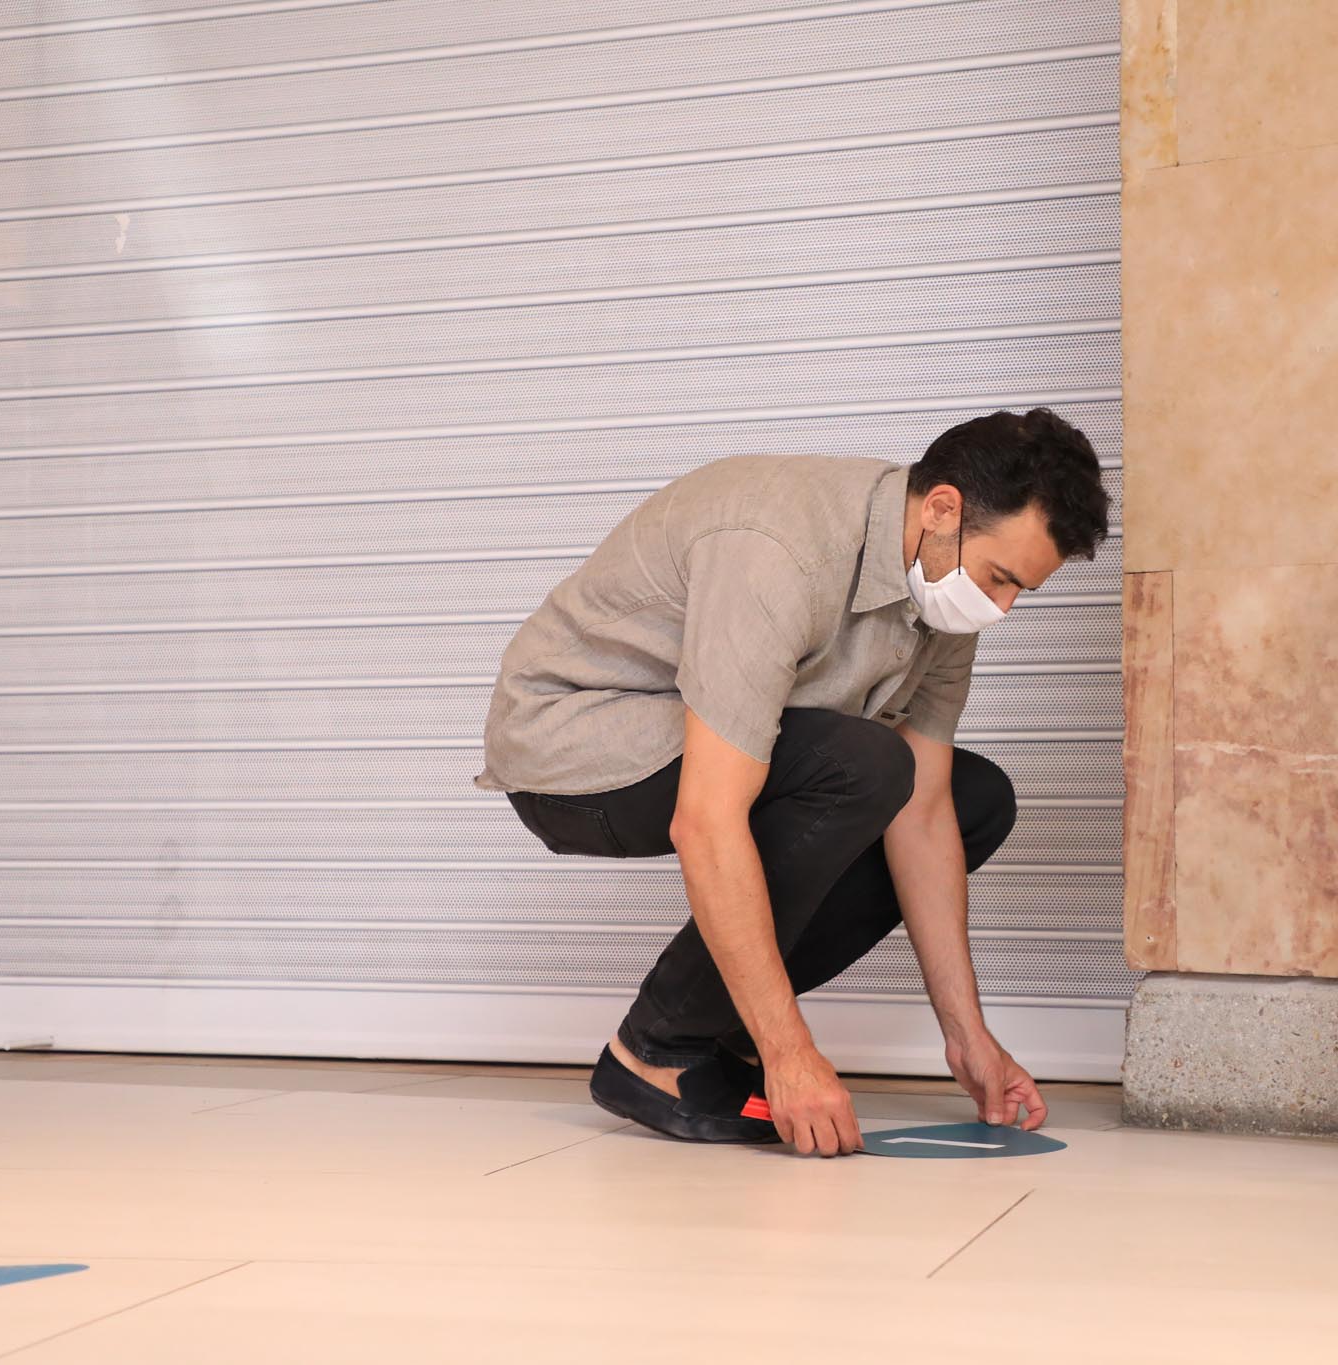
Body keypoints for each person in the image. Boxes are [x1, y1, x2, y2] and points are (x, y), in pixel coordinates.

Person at [471, 408, 1112, 1157]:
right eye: (1000, 578)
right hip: (571, 747)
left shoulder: (940, 597)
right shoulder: (777, 551)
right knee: (866, 763)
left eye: (1019, 591)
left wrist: (968, 1037)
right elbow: (706, 819)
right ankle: (658, 1052)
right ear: (942, 510)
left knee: (974, 800)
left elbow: (926, 814)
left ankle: (721, 1029)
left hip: (702, 747)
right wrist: (791, 1051)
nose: (999, 608)